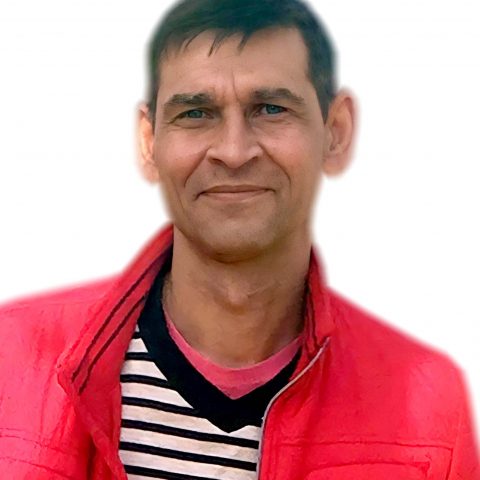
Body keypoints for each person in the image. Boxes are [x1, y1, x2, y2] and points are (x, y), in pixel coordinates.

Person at [0, 0, 478, 478]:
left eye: (271, 109)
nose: (233, 151)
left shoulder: (427, 409)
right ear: (149, 142)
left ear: (335, 132)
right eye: (196, 113)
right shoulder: (11, 357)